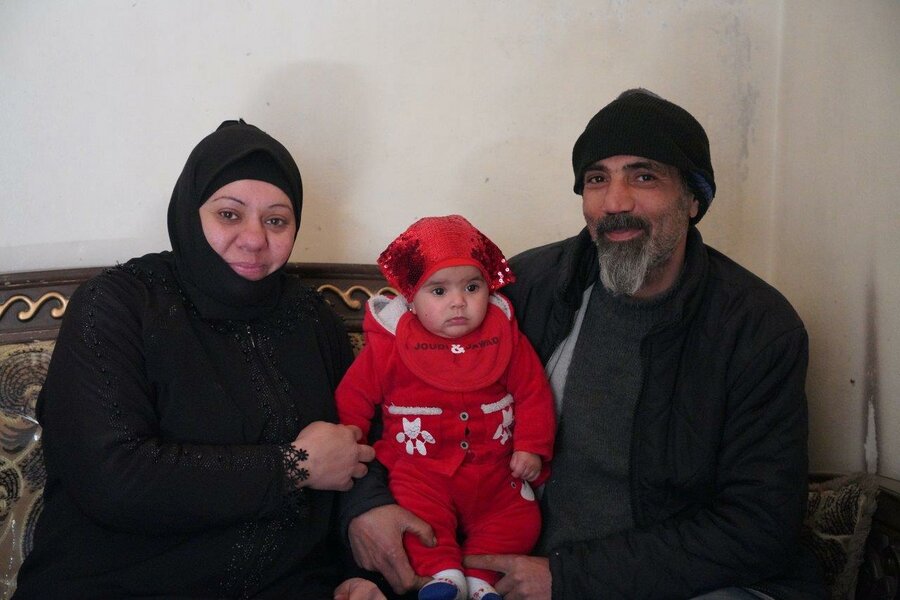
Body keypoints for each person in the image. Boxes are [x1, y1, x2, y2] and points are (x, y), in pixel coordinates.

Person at [343, 90, 827, 599]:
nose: (616, 202)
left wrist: (571, 578)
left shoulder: (756, 327)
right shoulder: (521, 291)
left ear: (693, 198)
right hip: (513, 570)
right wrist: (366, 509)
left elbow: (758, 526)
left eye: (644, 176)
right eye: (598, 179)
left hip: (681, 582)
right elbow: (393, 406)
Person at [14, 120, 384, 599]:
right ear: (190, 213)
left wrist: (358, 573)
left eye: (276, 220)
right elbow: (113, 478)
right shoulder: (119, 305)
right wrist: (294, 466)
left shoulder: (311, 320)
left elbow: (359, 452)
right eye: (230, 215)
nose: (254, 239)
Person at [336, 215, 556, 600]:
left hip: (495, 475)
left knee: (520, 520)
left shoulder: (504, 336)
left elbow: (533, 391)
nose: (458, 302)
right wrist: (349, 438)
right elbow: (354, 395)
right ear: (411, 299)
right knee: (415, 520)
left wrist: (530, 446)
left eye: (472, 287)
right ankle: (443, 576)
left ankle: (481, 580)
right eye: (438, 291)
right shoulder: (391, 343)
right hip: (421, 473)